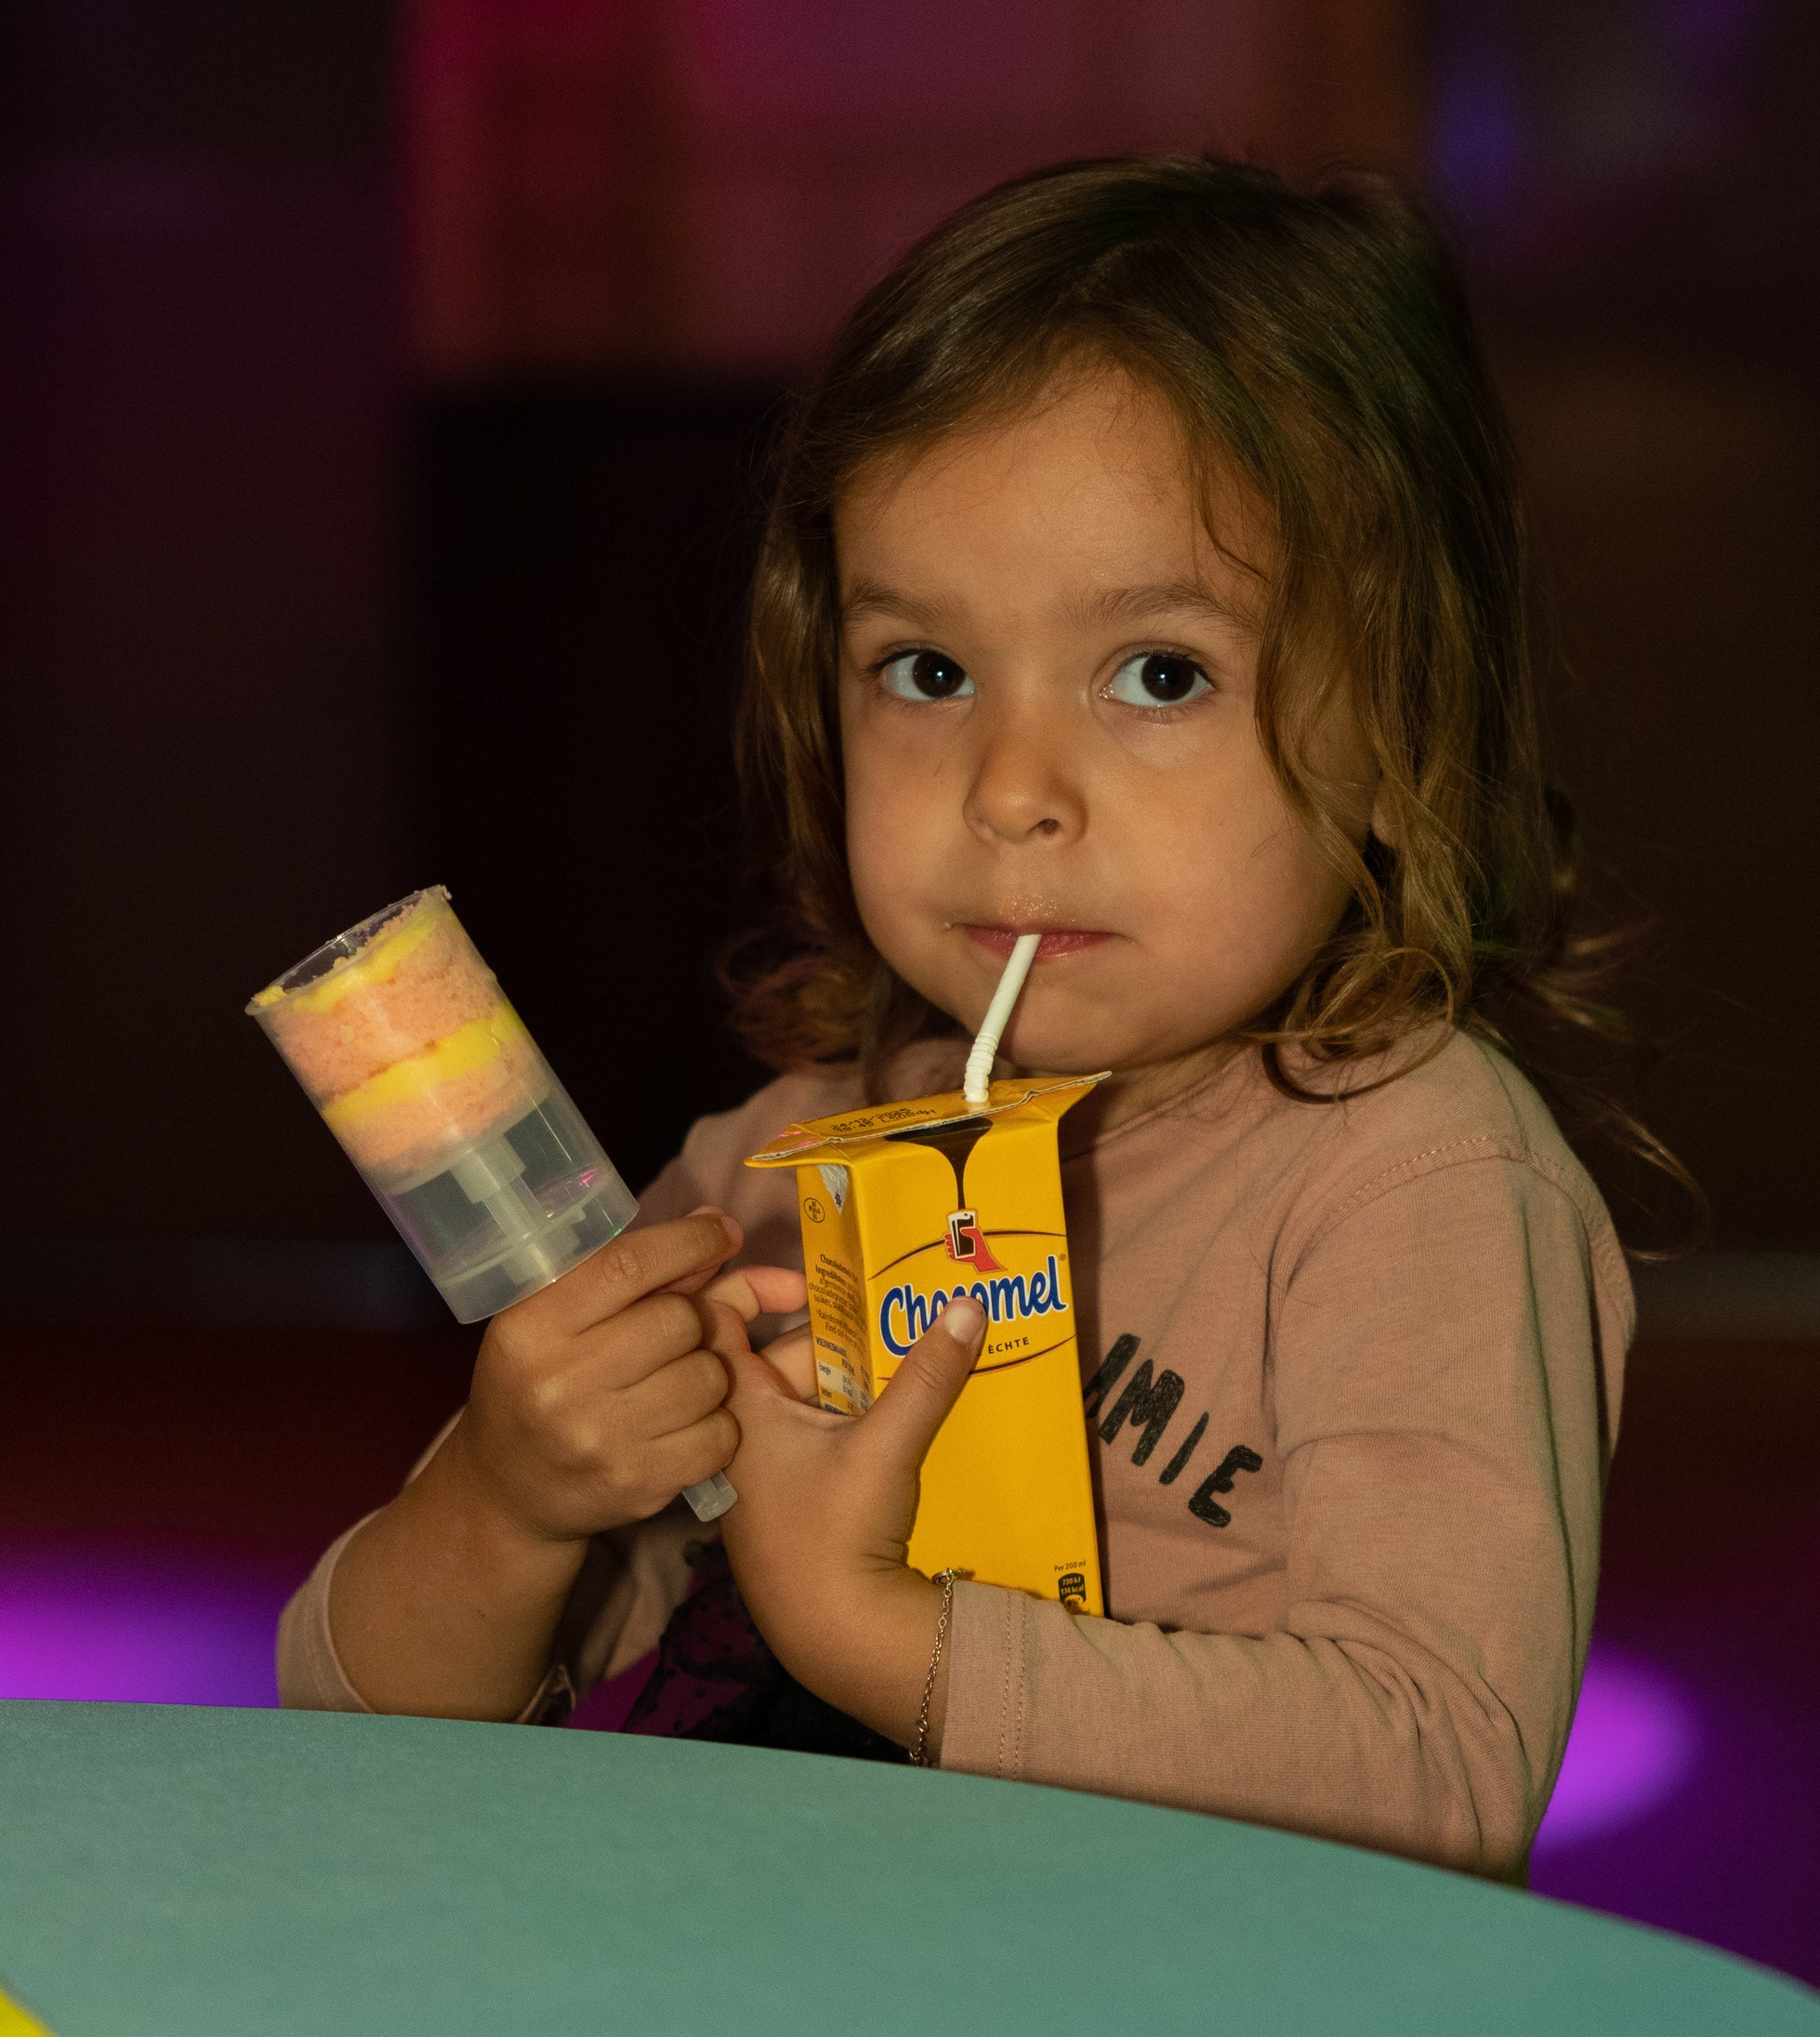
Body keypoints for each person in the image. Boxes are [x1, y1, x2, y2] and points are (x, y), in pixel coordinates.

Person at [280, 156, 1644, 1878]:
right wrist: (504, 1496)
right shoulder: (771, 1176)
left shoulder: (1410, 1178)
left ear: (1400, 727)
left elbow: (1443, 1775)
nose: (1010, 791)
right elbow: (347, 1737)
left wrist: (867, 1630)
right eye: (926, 672)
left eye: (1160, 673)